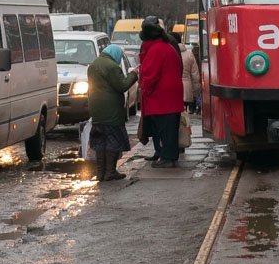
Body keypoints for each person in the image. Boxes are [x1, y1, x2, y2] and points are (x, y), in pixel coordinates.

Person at [86, 44, 139, 182]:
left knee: (100, 140)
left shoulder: (93, 64)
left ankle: (100, 173)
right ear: (115, 54)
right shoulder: (112, 67)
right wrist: (134, 74)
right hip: (111, 110)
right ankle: (110, 172)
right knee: (112, 140)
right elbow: (122, 85)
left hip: (96, 107)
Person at [138, 15, 184, 168]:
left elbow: (150, 76)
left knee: (165, 130)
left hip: (161, 98)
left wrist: (144, 89)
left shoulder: (156, 50)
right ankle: (167, 156)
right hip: (170, 97)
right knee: (169, 130)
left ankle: (167, 157)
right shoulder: (166, 47)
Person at [180, 42, 201, 114]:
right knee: (185, 110)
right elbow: (195, 74)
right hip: (187, 87)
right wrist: (196, 90)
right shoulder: (189, 54)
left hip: (173, 88)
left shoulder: (170, 53)